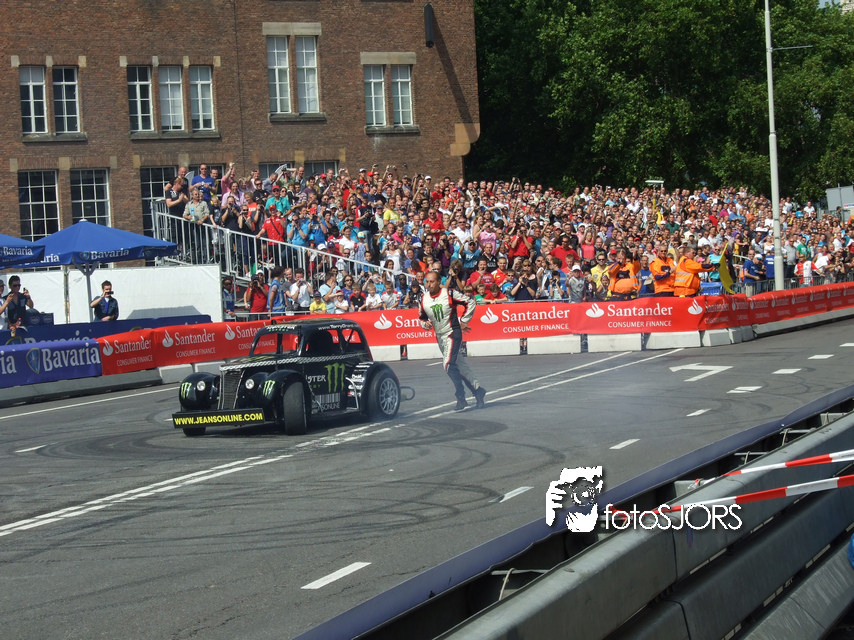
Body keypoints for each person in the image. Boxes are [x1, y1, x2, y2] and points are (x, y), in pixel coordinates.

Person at [418, 270, 487, 411]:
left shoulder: (449, 293)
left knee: (448, 365)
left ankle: (460, 397)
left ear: (439, 282)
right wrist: (425, 324)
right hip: (440, 336)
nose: (429, 284)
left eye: (432, 281)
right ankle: (478, 391)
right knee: (460, 367)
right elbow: (421, 317)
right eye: (427, 282)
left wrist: (464, 320)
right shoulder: (424, 299)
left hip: (452, 333)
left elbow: (469, 302)